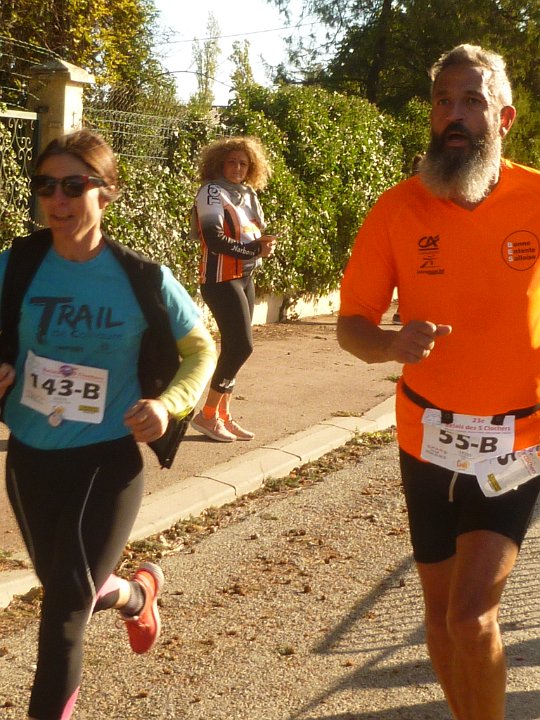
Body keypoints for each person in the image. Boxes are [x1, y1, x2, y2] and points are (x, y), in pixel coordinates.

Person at [337, 44, 540, 720]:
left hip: (516, 442)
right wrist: (387, 343)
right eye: (443, 101)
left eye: (472, 101)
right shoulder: (398, 209)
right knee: (440, 617)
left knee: (471, 616)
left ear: (503, 117)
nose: (454, 114)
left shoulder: (536, 198)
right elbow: (352, 325)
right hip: (427, 437)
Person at [0, 128, 216, 720]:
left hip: (107, 459)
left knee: (64, 610)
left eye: (74, 186)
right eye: (46, 186)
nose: (57, 199)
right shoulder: (15, 267)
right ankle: (138, 594)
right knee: (68, 585)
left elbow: (201, 349)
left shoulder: (143, 277)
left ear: (107, 192)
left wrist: (168, 405)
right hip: (30, 456)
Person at [190, 136, 277, 442]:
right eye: (232, 162)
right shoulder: (211, 192)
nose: (238, 168)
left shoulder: (248, 193)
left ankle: (223, 415)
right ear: (219, 164)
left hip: (245, 276)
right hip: (220, 279)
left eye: (244, 163)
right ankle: (207, 415)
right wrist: (254, 249)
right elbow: (214, 239)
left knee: (233, 348)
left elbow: (251, 233)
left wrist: (264, 245)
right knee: (242, 347)